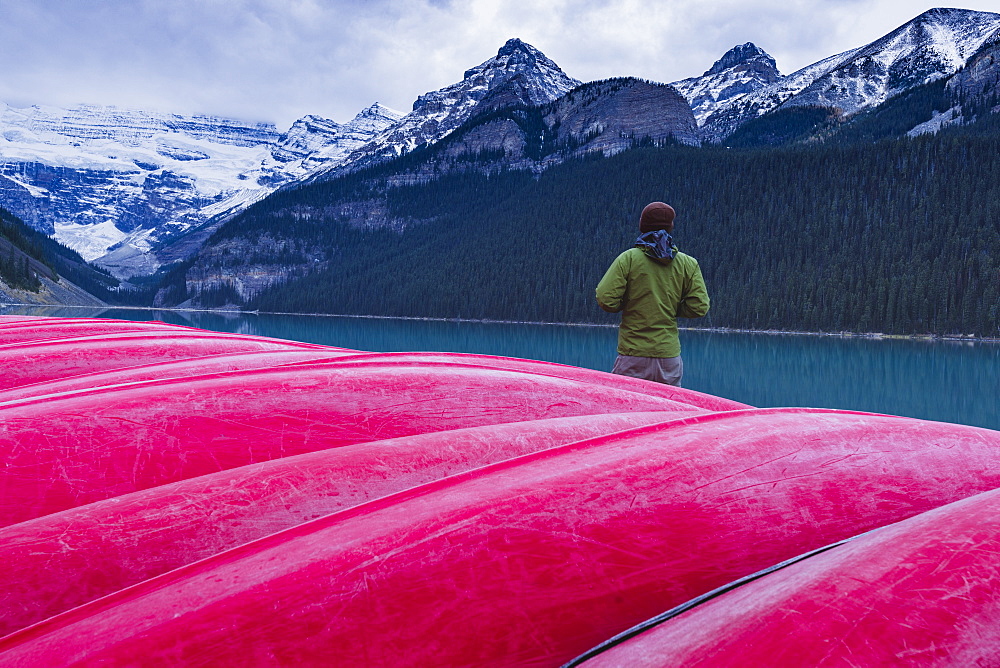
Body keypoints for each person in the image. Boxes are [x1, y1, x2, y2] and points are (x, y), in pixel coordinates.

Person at [595, 202, 710, 386]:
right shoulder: (688, 263)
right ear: (671, 226)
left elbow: (606, 298)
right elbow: (699, 307)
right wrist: (671, 308)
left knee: (627, 412)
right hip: (668, 358)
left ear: (642, 225)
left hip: (633, 356)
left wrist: (629, 303)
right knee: (668, 411)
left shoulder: (629, 258)